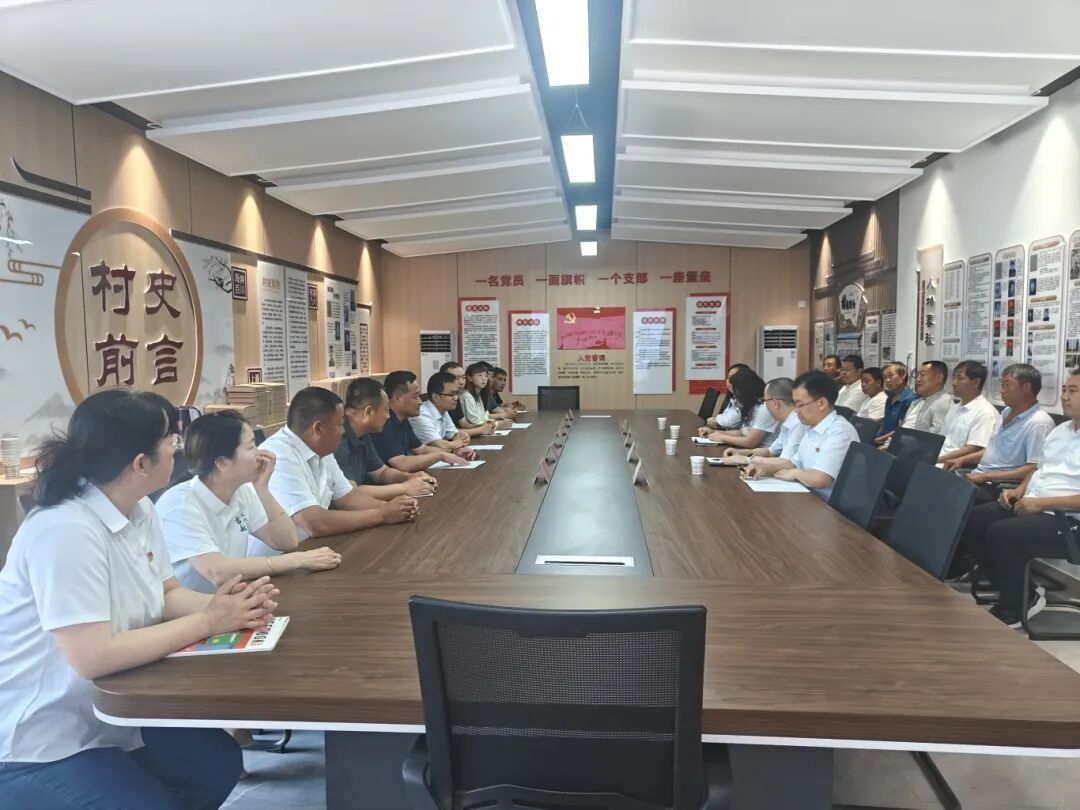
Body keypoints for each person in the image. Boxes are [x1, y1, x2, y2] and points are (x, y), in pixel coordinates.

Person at [0, 389, 277, 807]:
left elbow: (167, 593)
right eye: (169, 439)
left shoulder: (139, 507)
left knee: (215, 765)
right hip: (41, 738)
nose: (177, 448)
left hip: (112, 714)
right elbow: (93, 656)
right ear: (140, 463)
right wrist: (209, 620)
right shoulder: (64, 529)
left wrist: (235, 609)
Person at [158, 410, 341, 593]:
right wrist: (298, 560)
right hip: (195, 606)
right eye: (251, 446)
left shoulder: (241, 491)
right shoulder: (180, 505)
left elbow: (286, 541)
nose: (261, 454)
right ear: (223, 463)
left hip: (228, 599)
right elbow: (216, 571)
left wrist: (263, 489)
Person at [962, 367, 1080, 627]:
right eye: (1064, 390)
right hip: (1036, 504)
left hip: (1068, 518)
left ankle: (1017, 604)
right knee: (973, 519)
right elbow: (1039, 469)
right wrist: (1019, 491)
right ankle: (1019, 588)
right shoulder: (1061, 430)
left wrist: (1042, 503)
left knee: (1002, 533)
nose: (1065, 397)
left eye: (1073, 391)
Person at [257, 386, 418, 544]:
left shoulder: (322, 449)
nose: (343, 431)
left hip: (314, 547)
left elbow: (348, 497)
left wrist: (396, 508)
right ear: (318, 429)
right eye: (340, 424)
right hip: (279, 557)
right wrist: (382, 514)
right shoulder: (278, 455)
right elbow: (312, 522)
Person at [744, 370, 860, 500]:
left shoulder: (839, 431)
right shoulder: (812, 427)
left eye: (800, 405)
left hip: (828, 504)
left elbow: (820, 479)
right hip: (809, 496)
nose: (796, 411)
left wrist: (795, 473)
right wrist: (767, 468)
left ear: (821, 403)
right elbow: (794, 462)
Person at [948, 364, 1055, 500]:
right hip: (978, 476)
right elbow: (992, 451)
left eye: (1007, 385)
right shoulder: (1006, 412)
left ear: (1026, 387)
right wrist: (963, 459)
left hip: (998, 486)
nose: (1002, 391)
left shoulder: (1039, 423)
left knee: (945, 497)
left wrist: (986, 476)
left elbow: (1033, 468)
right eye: (1002, 385)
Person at [334, 377, 437, 499]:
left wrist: (409, 477)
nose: (388, 417)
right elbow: (350, 494)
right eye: (386, 410)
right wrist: (404, 488)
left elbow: (381, 473)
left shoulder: (363, 432)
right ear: (368, 412)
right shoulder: (336, 437)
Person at [372, 370, 474, 471]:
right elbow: (401, 463)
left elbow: (422, 449)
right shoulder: (384, 422)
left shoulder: (403, 419)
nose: (420, 401)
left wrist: (454, 453)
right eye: (416, 396)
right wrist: (441, 455)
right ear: (398, 398)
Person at [721, 377, 805, 465]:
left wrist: (747, 460)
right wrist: (741, 453)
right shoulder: (787, 422)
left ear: (775, 403)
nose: (764, 405)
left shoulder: (797, 423)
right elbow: (770, 451)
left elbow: (787, 462)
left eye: (764, 401)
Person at [937, 361, 1001, 467]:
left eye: (960, 378)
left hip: (953, 467)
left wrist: (936, 460)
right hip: (938, 460)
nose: (954, 383)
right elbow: (942, 438)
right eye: (953, 378)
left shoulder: (985, 412)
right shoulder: (954, 408)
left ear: (976, 382)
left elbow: (972, 449)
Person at [700, 368, 778, 449]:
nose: (735, 396)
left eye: (736, 392)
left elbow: (750, 442)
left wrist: (723, 438)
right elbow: (743, 432)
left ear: (746, 391)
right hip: (751, 451)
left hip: (762, 453)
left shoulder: (765, 409)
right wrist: (714, 432)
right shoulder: (751, 406)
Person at [412, 371, 477, 450]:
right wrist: (458, 443)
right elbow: (440, 445)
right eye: (451, 394)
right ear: (436, 397)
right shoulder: (421, 414)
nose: (456, 398)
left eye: (456, 393)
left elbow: (454, 434)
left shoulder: (443, 410)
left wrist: (463, 438)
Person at [899, 361, 954, 435]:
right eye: (917, 375)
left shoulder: (944, 402)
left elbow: (935, 436)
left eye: (922, 375)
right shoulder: (916, 402)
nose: (918, 379)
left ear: (939, 378)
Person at [875, 362, 917, 444]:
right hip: (882, 439)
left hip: (895, 442)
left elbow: (903, 429)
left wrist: (879, 439)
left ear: (903, 375)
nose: (887, 380)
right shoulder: (890, 398)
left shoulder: (910, 399)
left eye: (891, 376)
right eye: (885, 377)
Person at [454, 362, 498, 437]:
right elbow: (474, 421)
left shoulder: (480, 395)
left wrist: (491, 423)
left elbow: (485, 417)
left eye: (486, 376)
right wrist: (496, 424)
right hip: (471, 434)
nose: (484, 378)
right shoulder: (467, 395)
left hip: (479, 432)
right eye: (480, 375)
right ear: (470, 378)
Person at [705, 363, 751, 429]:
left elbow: (728, 422)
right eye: (729, 377)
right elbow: (724, 419)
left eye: (735, 378)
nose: (730, 381)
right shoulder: (733, 398)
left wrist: (715, 420)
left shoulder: (746, 400)